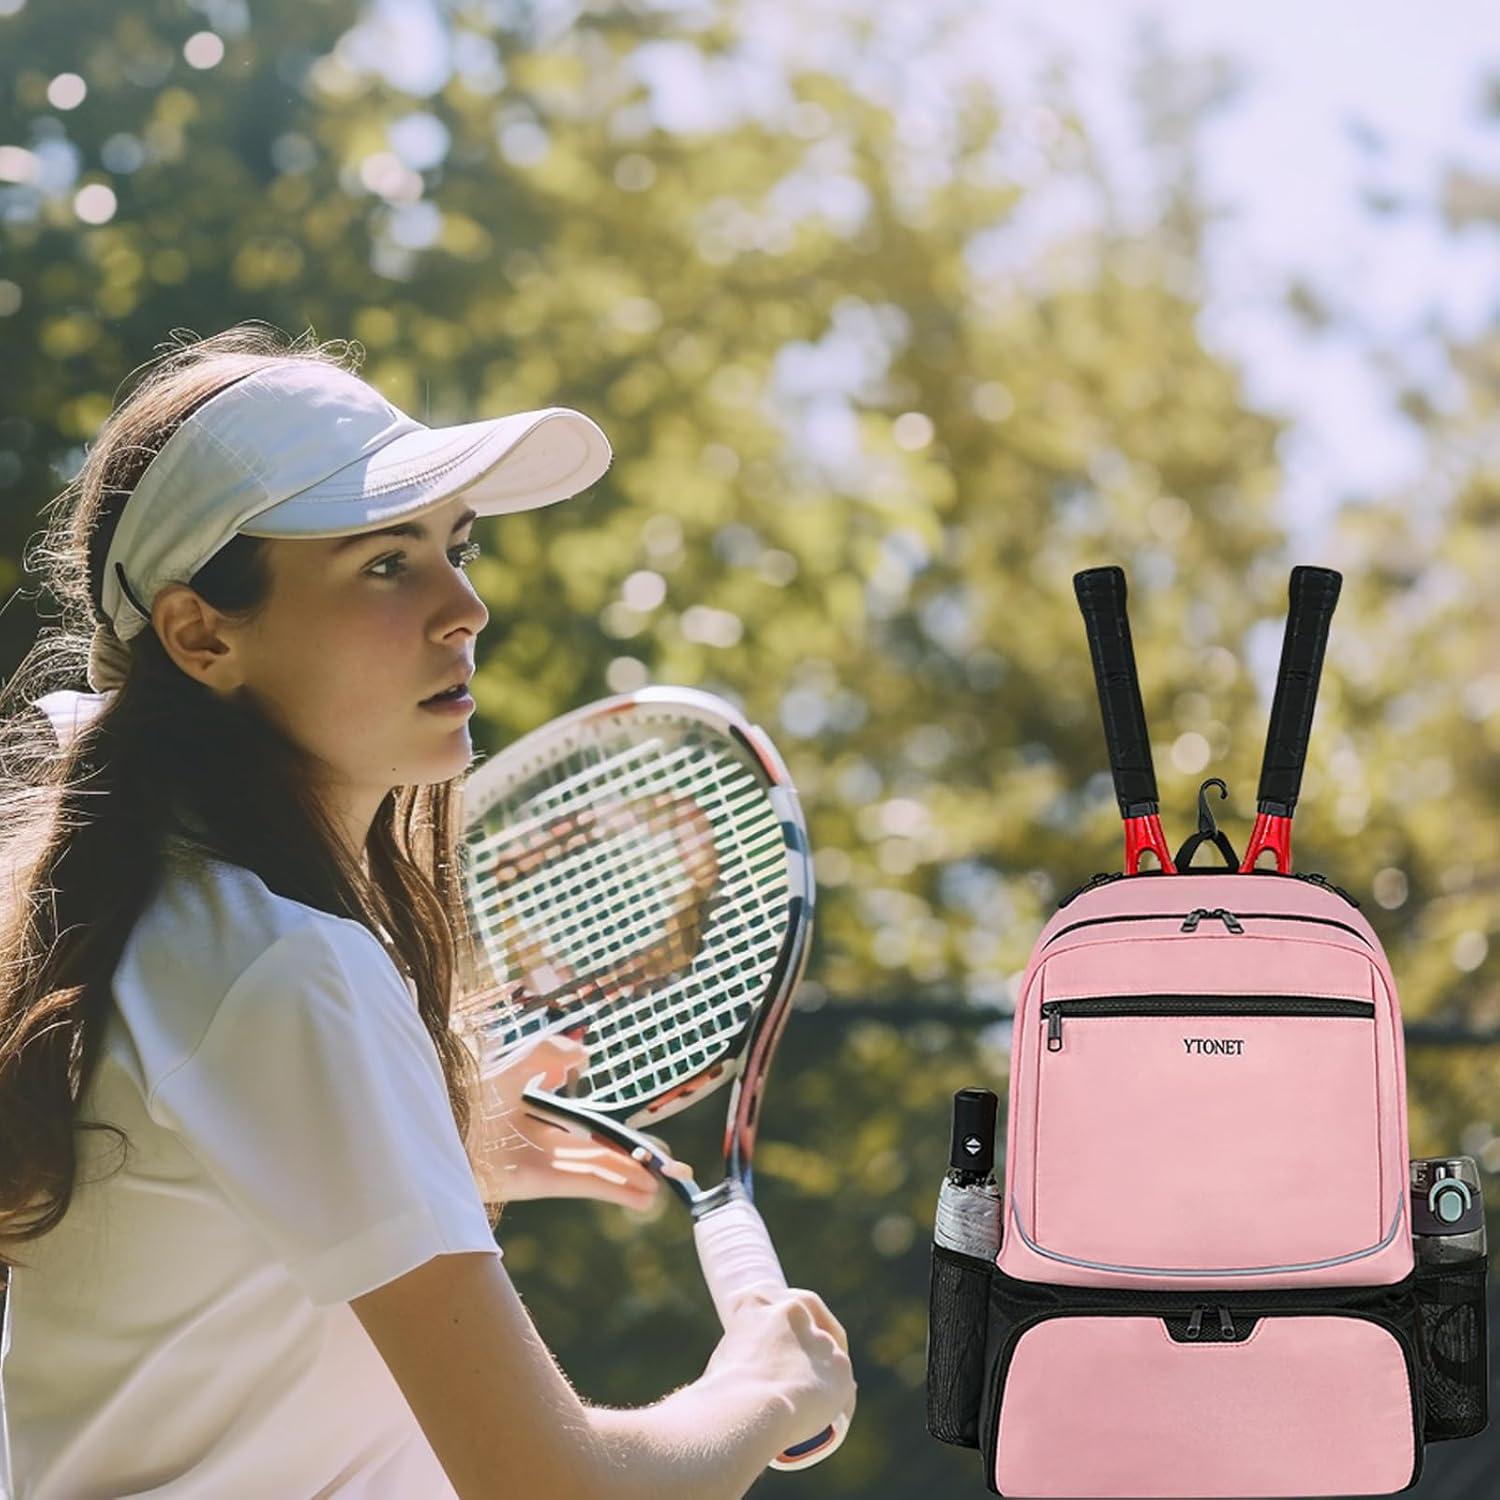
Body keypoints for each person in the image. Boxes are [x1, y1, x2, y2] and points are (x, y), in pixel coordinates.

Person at [0, 324, 854, 1499]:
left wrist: (433, 1152)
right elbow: (554, 1489)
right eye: (385, 564)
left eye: (457, 547)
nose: (466, 608)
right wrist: (760, 1391)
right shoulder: (287, 969)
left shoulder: (154, 910)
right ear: (205, 634)